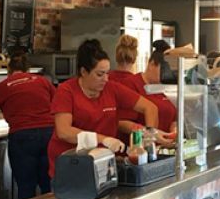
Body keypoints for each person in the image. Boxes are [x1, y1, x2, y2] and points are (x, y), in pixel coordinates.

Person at [47, 39, 161, 176]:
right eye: (100, 74)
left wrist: (148, 139)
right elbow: (64, 131)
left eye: (107, 73)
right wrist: (103, 139)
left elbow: (150, 108)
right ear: (83, 71)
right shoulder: (66, 91)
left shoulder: (112, 88)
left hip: (101, 164)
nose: (106, 79)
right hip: (70, 165)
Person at [0, 51, 55, 199]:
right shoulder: (42, 81)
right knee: (49, 185)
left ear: (9, 71)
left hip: (22, 137)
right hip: (49, 134)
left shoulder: (3, 86)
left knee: (26, 187)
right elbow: (58, 105)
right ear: (28, 69)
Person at [109, 36, 177, 139]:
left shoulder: (164, 88)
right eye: (164, 70)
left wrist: (174, 130)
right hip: (139, 147)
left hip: (165, 148)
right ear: (151, 64)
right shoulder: (130, 84)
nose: (166, 75)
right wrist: (150, 134)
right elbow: (120, 122)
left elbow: (172, 117)